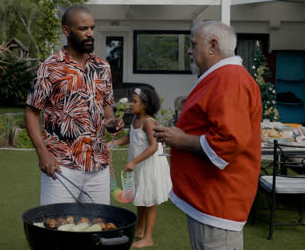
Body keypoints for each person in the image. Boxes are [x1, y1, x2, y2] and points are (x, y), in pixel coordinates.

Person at [153, 21, 262, 250]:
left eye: (194, 44)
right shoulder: (223, 76)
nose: (189, 51)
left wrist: (180, 139)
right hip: (207, 200)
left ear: (213, 46)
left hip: (218, 202)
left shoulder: (231, 79)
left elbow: (229, 141)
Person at [25, 5, 124, 205]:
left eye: (92, 28)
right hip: (62, 166)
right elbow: (31, 113)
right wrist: (43, 154)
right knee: (57, 229)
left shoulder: (102, 67)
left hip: (98, 166)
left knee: (98, 227)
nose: (89, 33)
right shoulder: (49, 67)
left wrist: (112, 121)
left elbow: (106, 109)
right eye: (83, 29)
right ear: (66, 31)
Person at [110, 87, 172, 248]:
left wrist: (133, 162)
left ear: (145, 105)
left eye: (135, 101)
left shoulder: (148, 122)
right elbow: (132, 137)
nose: (131, 104)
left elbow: (153, 147)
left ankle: (148, 237)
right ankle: (139, 231)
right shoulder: (137, 119)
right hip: (140, 165)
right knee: (140, 199)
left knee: (149, 201)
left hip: (149, 166)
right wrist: (113, 143)